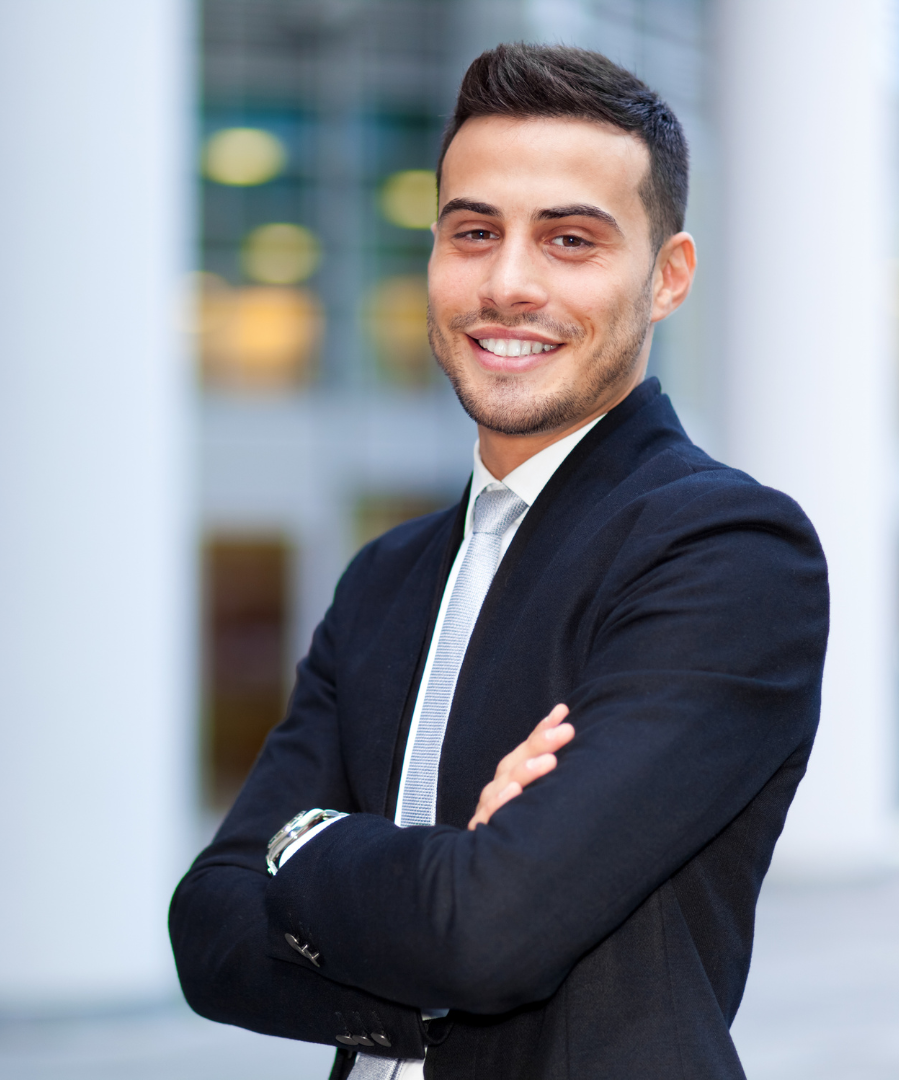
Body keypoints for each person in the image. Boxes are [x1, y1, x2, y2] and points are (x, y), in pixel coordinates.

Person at [170, 43, 828, 1080]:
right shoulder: (385, 577)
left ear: (667, 278)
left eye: (570, 239)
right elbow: (207, 933)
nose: (508, 283)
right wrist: (441, 884)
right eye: (473, 232)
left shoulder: (727, 553)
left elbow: (489, 932)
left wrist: (302, 846)